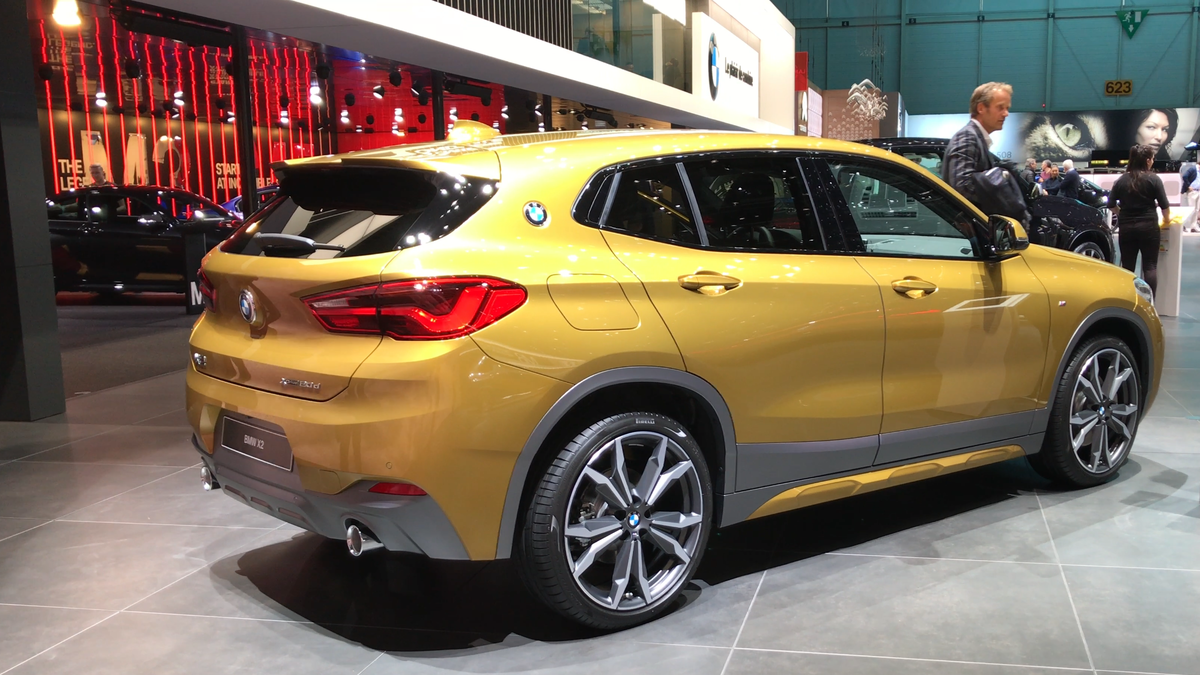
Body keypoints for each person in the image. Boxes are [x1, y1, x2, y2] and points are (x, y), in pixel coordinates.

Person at [942, 81, 1030, 225]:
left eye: (1007, 108)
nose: (1006, 113)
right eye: (1000, 107)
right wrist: (1003, 199)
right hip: (966, 230)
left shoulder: (976, 138)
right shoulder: (968, 137)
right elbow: (961, 186)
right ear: (981, 108)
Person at [1110, 144, 1170, 294]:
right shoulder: (1154, 179)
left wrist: (1121, 213)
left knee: (1127, 267)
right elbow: (1164, 206)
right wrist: (1167, 220)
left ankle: (1127, 300)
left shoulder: (1121, 180)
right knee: (1150, 266)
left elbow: (1110, 204)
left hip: (1127, 227)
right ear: (1148, 160)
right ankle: (1150, 302)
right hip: (1149, 226)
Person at [1182, 156, 1199, 233]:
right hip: (1192, 192)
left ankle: (1193, 226)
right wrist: (1188, 186)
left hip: (1198, 191)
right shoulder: (1193, 169)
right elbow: (1184, 176)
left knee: (1197, 210)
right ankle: (1184, 225)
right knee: (1191, 209)